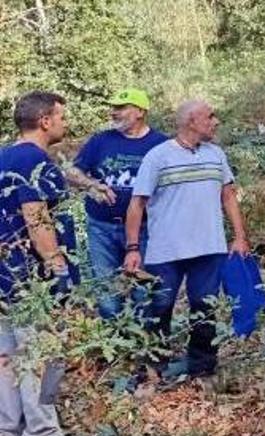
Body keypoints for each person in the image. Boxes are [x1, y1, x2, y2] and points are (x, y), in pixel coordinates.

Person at [124, 99, 250, 385]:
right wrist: (133, 248)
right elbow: (137, 204)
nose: (216, 121)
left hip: (209, 248)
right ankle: (152, 370)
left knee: (204, 308)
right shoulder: (158, 157)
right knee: (159, 308)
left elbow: (228, 195)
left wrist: (240, 237)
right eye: (210, 116)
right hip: (166, 250)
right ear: (191, 121)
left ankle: (202, 367)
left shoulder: (216, 154)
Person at [0, 91, 78, 436]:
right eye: (61, 116)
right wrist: (56, 264)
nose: (65, 122)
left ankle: (9, 431)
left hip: (4, 276)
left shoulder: (3, 158)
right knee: (43, 354)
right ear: (45, 120)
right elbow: (36, 217)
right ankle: (43, 434)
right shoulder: (34, 160)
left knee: (7, 358)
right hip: (32, 279)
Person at [66, 88, 168, 320]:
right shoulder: (100, 141)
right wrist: (90, 184)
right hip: (101, 228)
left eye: (121, 108)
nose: (113, 112)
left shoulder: (161, 144)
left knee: (145, 293)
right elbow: (72, 171)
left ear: (140, 111)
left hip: (146, 230)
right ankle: (116, 349)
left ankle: (143, 347)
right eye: (113, 108)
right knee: (108, 296)